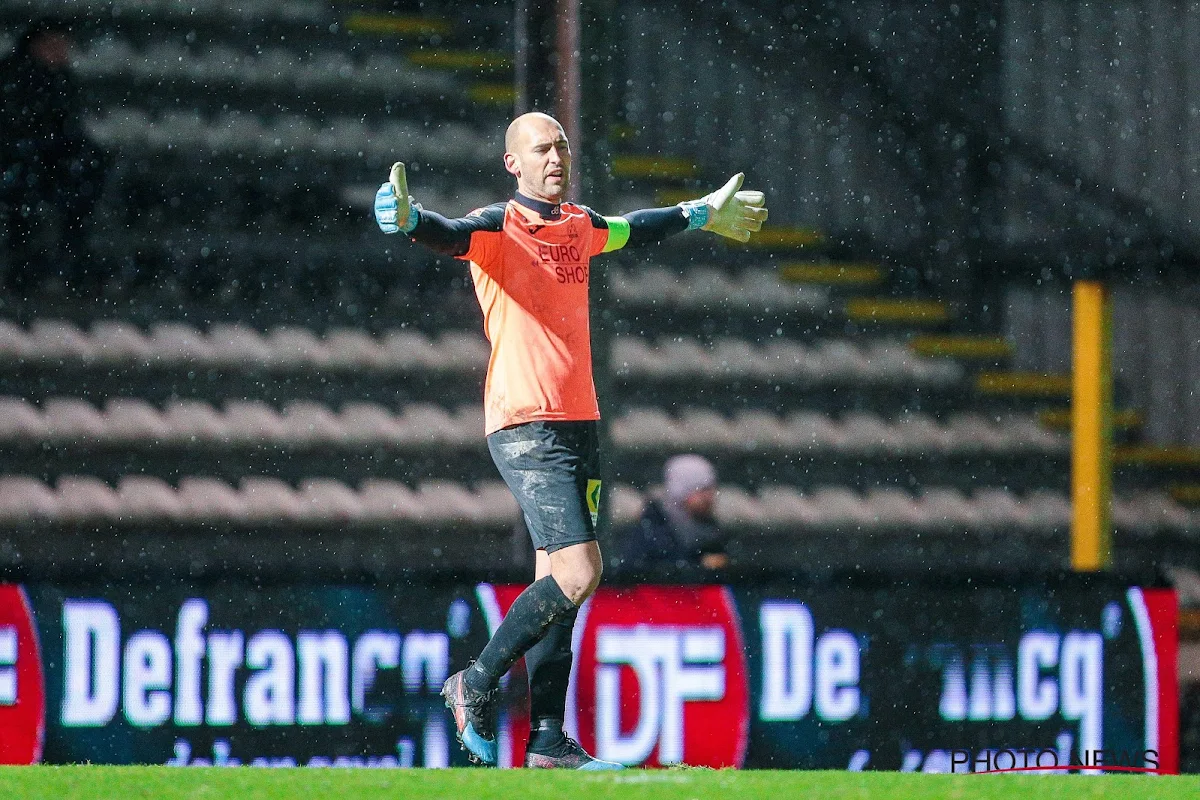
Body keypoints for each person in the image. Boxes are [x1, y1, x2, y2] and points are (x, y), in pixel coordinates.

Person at [373, 112, 767, 769]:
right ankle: (474, 682)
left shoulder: (578, 226)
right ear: (512, 163)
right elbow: (448, 235)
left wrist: (699, 212)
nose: (555, 157)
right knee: (582, 572)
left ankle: (548, 741)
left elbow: (636, 229)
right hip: (527, 424)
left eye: (560, 146)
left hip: (578, 424)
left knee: (558, 585)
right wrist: (410, 220)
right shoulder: (499, 223)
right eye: (540, 149)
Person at [0, 19, 107, 295]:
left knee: (88, 168)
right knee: (24, 197)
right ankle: (25, 268)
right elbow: (15, 125)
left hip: (50, 162)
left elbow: (68, 126)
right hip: (17, 161)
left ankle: (71, 261)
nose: (62, 52)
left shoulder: (62, 79)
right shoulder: (14, 75)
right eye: (56, 45)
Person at [618, 453, 729, 574]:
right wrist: (698, 566)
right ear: (680, 494)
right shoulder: (652, 531)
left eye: (710, 490)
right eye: (701, 491)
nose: (709, 498)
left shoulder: (708, 528)